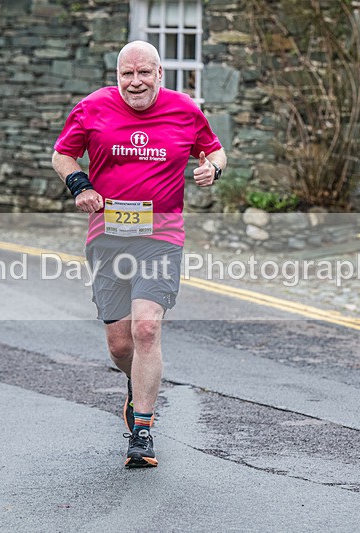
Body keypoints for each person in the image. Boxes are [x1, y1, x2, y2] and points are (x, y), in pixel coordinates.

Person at [51, 40, 227, 468]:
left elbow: (215, 150)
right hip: (108, 236)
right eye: (127, 74)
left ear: (159, 74)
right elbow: (63, 155)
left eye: (144, 73)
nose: (135, 82)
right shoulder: (92, 107)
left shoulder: (185, 109)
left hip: (161, 236)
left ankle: (143, 431)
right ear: (117, 76)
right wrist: (82, 187)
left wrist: (213, 168)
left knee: (147, 328)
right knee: (119, 342)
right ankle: (135, 384)